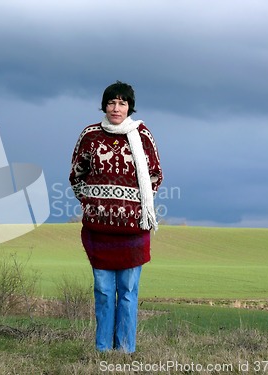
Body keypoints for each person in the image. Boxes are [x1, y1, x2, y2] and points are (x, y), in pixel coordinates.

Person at [69, 81, 163, 353]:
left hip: (134, 231)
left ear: (130, 106)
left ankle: (125, 350)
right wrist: (94, 202)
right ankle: (102, 349)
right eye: (111, 102)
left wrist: (136, 205)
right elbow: (76, 174)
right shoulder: (90, 135)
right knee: (104, 292)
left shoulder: (142, 135)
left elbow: (155, 175)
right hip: (99, 231)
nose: (116, 108)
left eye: (122, 103)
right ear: (104, 105)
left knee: (128, 292)